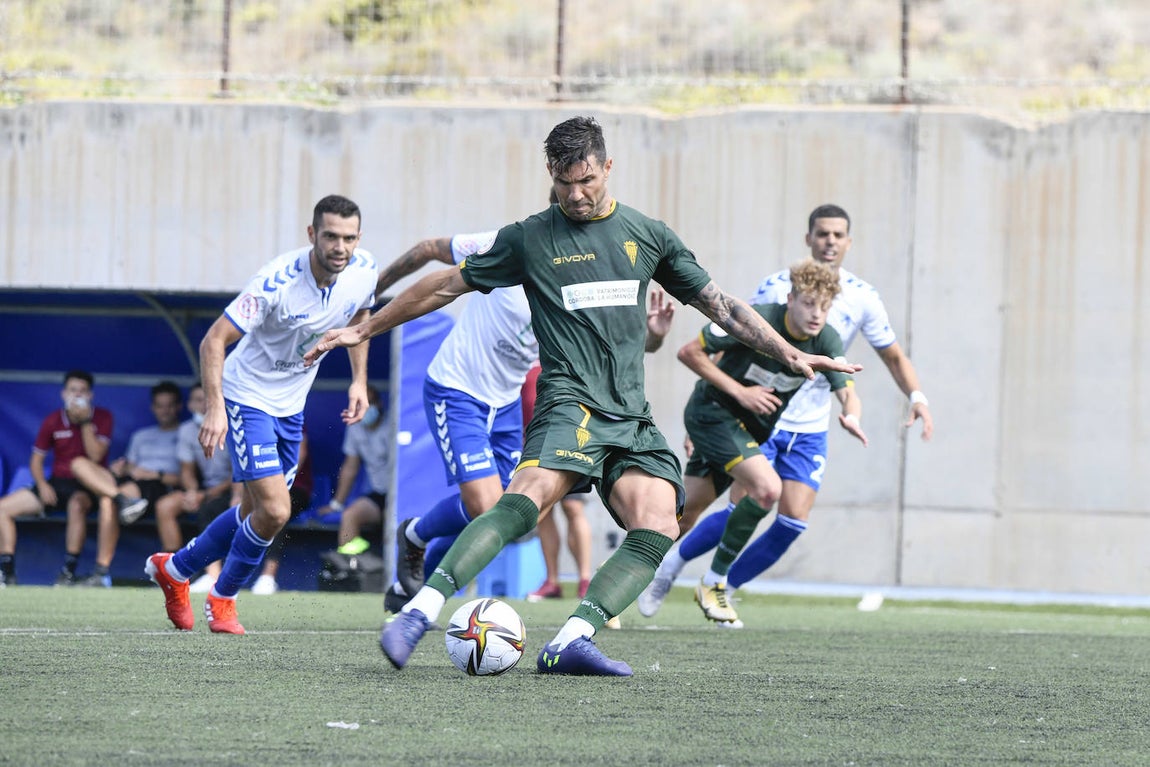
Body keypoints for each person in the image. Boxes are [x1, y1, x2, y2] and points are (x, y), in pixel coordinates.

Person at [305, 115, 859, 676]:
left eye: (587, 180)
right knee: (524, 501)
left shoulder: (649, 235)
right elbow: (444, 283)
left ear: (608, 168)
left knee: (660, 522)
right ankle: (418, 612)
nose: (576, 194)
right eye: (565, 182)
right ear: (551, 174)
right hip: (569, 403)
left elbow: (723, 306)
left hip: (631, 418)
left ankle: (571, 638)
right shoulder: (528, 237)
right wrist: (364, 327)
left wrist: (787, 352)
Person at [638, 204, 934, 618]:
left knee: (791, 520)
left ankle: (718, 585)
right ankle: (665, 568)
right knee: (729, 502)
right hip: (751, 417)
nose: (830, 241)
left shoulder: (859, 301)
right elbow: (732, 345)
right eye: (822, 234)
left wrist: (901, 401)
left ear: (849, 242)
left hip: (806, 424)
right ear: (809, 238)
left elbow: (878, 364)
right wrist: (716, 410)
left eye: (838, 235)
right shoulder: (775, 292)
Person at [145, 194, 378, 634]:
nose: (340, 247)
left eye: (348, 238)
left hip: (291, 406)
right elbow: (214, 341)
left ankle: (174, 570)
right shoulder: (275, 281)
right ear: (312, 235)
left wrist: (359, 380)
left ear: (358, 239)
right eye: (330, 236)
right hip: (246, 395)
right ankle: (224, 596)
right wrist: (215, 409)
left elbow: (362, 316)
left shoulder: (364, 271)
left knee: (254, 510)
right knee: (274, 511)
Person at [676, 260, 867, 626]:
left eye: (825, 307)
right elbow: (689, 352)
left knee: (678, 517)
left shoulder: (825, 337)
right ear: (790, 298)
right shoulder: (756, 318)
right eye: (809, 303)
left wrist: (851, 414)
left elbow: (847, 389)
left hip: (746, 429)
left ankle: (616, 581)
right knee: (766, 490)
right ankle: (714, 582)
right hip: (713, 413)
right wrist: (741, 393)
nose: (816, 314)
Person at [0, 370, 131, 587]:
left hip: (88, 484)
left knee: (77, 504)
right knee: (3, 509)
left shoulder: (102, 417)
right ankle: (7, 573)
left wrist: (86, 421)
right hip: (56, 483)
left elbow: (96, 456)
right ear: (63, 394)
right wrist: (42, 485)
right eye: (73, 390)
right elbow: (36, 461)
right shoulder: (53, 420)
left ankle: (67, 572)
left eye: (82, 391)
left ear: (90, 395)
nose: (77, 395)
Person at [66, 380, 183, 586]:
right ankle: (121, 499)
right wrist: (122, 468)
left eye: (169, 405)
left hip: (158, 485)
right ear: (153, 408)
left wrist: (155, 473)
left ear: (178, 407)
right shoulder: (141, 436)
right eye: (160, 405)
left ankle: (101, 572)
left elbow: (189, 478)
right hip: (130, 482)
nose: (164, 411)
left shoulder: (186, 433)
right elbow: (130, 466)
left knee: (106, 501)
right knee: (78, 464)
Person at [154, 381, 242, 593]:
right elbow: (186, 469)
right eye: (196, 400)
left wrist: (205, 494)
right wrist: (192, 491)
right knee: (165, 506)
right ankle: (175, 571)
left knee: (209, 508)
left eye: (205, 400)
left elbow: (239, 472)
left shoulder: (232, 425)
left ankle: (212, 575)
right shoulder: (186, 430)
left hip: (235, 489)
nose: (201, 405)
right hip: (204, 489)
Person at [317, 385, 390, 556]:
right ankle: (349, 568)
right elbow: (350, 467)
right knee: (350, 515)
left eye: (370, 403)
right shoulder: (355, 428)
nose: (366, 408)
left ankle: (393, 574)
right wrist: (336, 504)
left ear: (379, 404)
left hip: (401, 495)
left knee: (393, 519)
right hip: (378, 494)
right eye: (360, 404)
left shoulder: (393, 427)